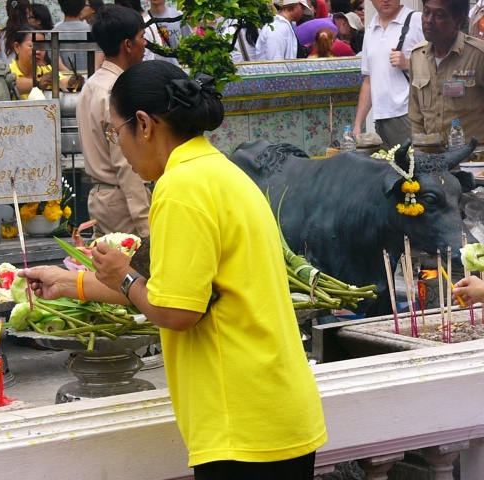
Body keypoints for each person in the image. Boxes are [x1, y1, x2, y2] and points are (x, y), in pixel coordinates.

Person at [21, 59, 327, 478]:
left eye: (115, 131)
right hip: (275, 409)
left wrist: (124, 276)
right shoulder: (221, 171)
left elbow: (178, 313)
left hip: (241, 424)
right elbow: (176, 290)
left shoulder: (180, 187)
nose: (119, 147)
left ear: (144, 124)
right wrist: (71, 283)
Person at [76, 6, 151, 238]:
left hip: (101, 197)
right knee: (133, 272)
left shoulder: (92, 84)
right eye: (142, 37)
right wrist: (147, 228)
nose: (145, 44)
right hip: (123, 201)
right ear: (128, 45)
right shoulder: (116, 92)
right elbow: (127, 166)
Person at [409, 0, 484, 144]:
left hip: (472, 161)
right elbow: (416, 117)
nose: (429, 21)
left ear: (459, 20)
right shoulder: (417, 56)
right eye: (426, 12)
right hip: (432, 158)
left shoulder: (478, 56)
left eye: (440, 15)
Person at [351, 0, 423, 149]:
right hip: (380, 117)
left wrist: (408, 64)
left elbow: (438, 66)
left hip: (407, 114)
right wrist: (358, 124)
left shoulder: (417, 20)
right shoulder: (371, 28)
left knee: (411, 168)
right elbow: (368, 80)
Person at [9, 25, 65, 99]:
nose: (38, 51)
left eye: (42, 47)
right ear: (17, 47)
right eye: (32, 46)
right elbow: (11, 85)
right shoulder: (7, 72)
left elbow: (65, 83)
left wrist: (73, 83)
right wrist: (39, 83)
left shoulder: (47, 70)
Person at [147, 0, 192, 65]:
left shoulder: (178, 15)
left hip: (177, 66)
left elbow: (190, 41)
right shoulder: (144, 19)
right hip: (154, 68)